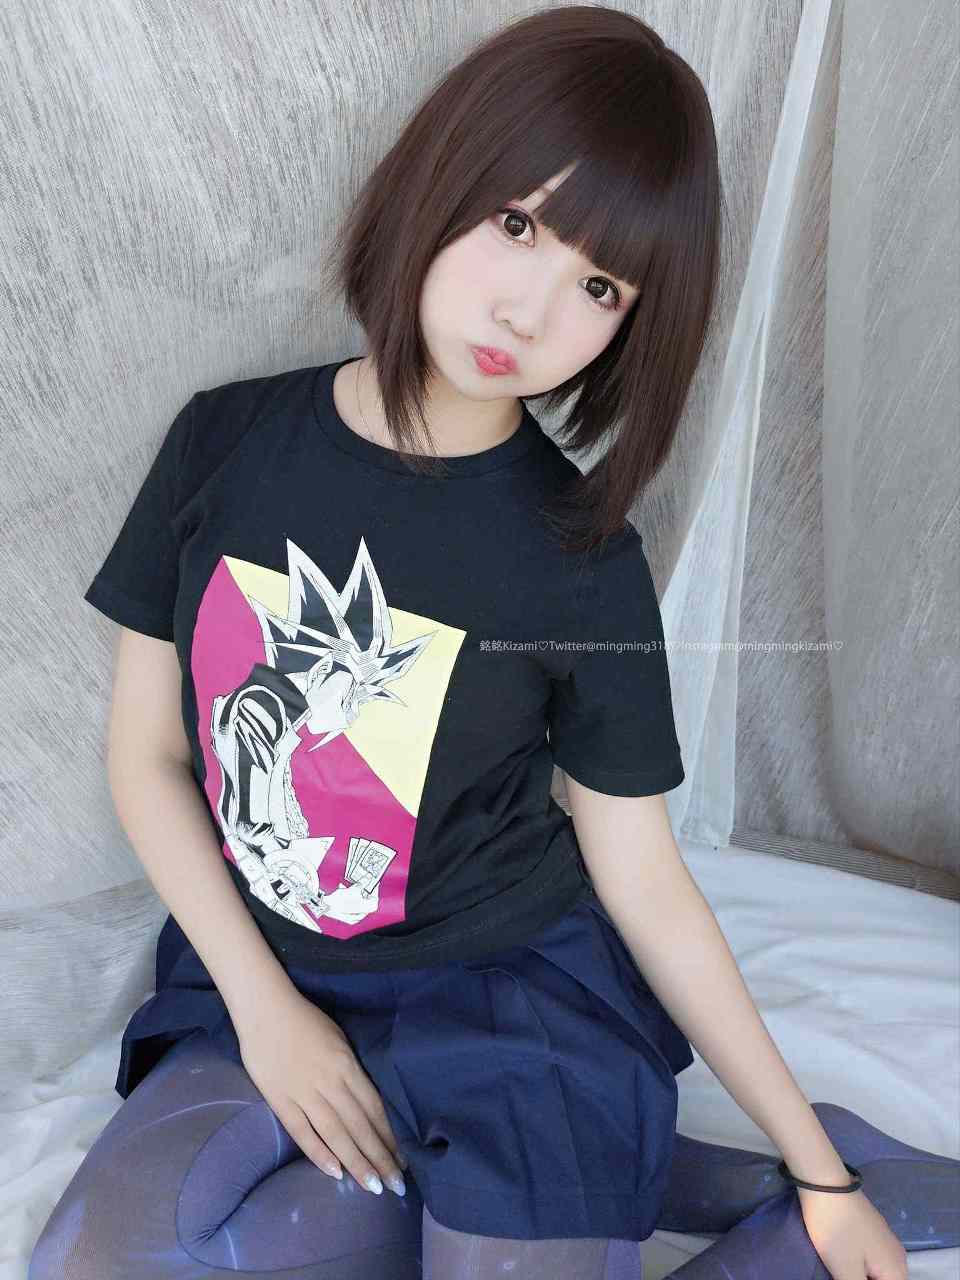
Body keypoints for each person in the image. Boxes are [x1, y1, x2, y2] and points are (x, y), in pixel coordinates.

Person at [30, 7, 956, 1279]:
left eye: (599, 286)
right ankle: (665, 1169)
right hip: (264, 972)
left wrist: (819, 1169)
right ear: (442, 174)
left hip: (504, 1004)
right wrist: (266, 1009)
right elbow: (148, 753)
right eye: (518, 224)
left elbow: (643, 875)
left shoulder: (581, 560)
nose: (528, 309)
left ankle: (787, 1194)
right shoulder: (224, 444)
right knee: (106, 1256)